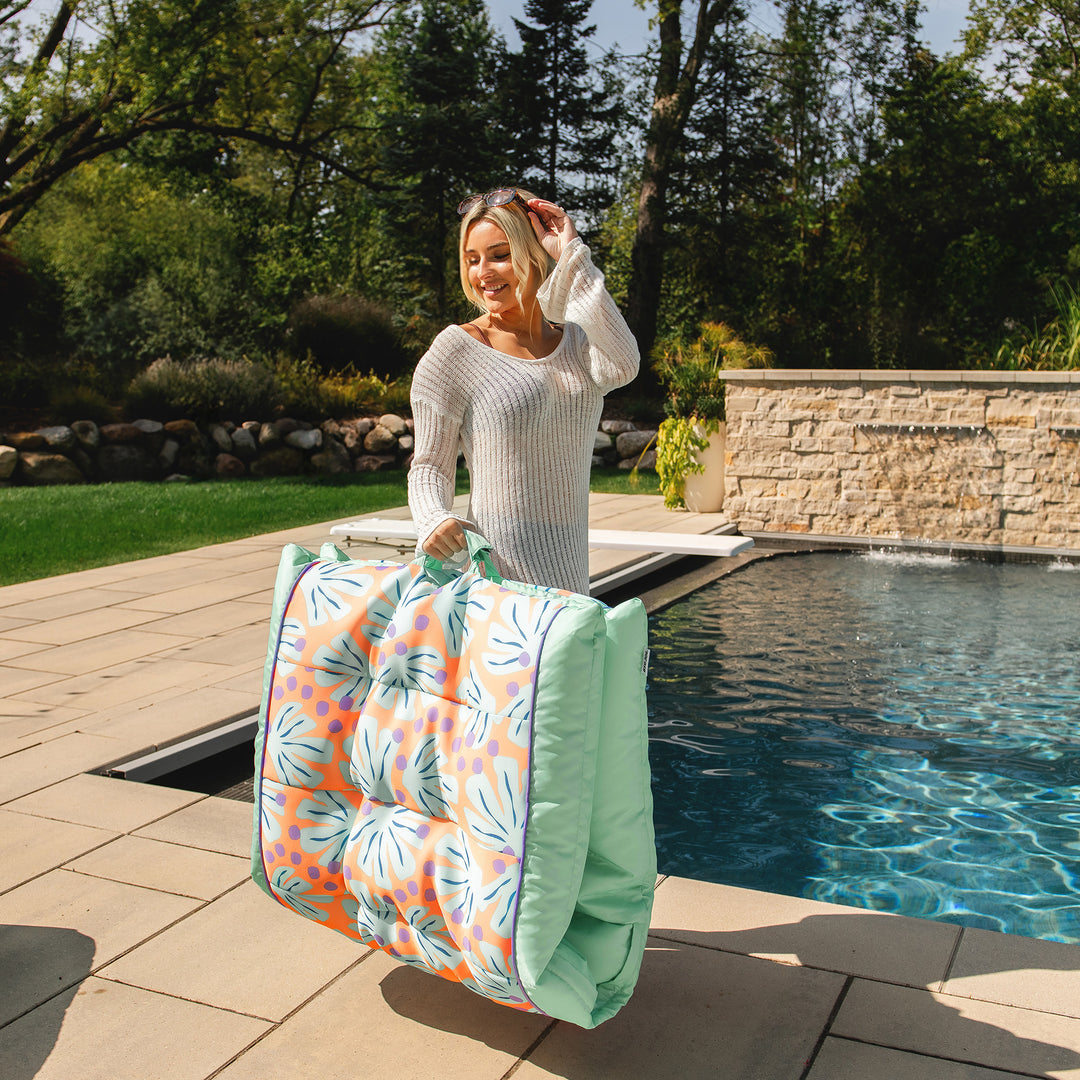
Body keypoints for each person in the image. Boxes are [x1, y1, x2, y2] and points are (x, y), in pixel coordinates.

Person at [407, 187, 640, 594]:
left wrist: (572, 254)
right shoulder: (456, 350)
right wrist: (433, 519)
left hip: (569, 581)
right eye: (472, 260)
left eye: (499, 255)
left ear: (534, 253)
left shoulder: (580, 343)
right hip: (496, 586)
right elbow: (429, 466)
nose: (483, 273)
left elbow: (624, 363)